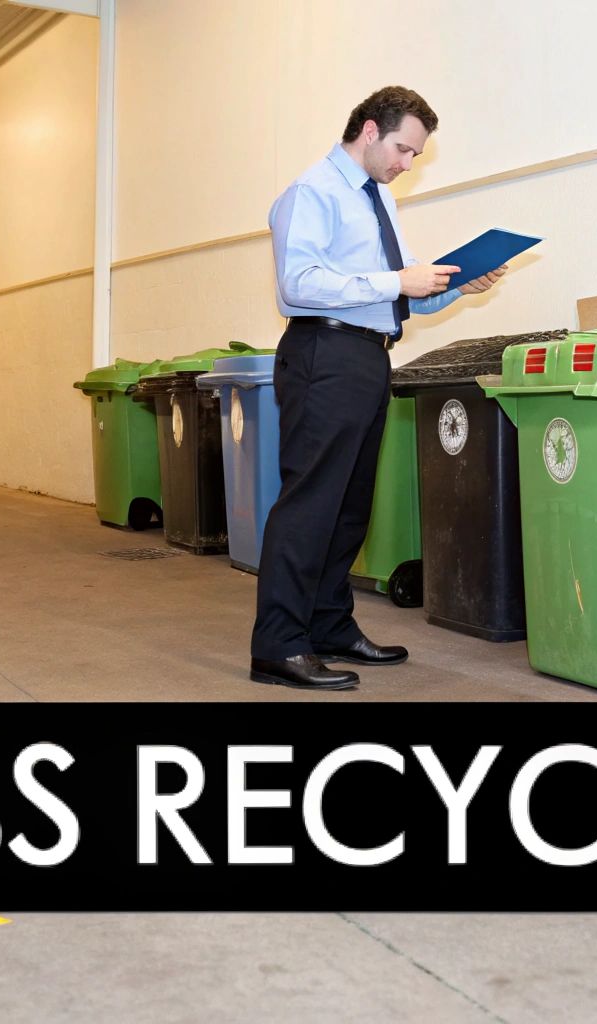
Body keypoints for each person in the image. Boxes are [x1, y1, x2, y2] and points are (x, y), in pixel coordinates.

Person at [250, 86, 508, 692]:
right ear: (369, 130)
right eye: (402, 149)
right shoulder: (312, 192)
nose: (406, 164)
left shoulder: (377, 200)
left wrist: (451, 285)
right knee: (311, 504)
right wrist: (398, 278)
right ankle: (279, 645)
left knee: (348, 507)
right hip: (323, 354)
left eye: (415, 155)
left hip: (367, 356)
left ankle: (330, 626)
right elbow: (299, 283)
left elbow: (394, 291)